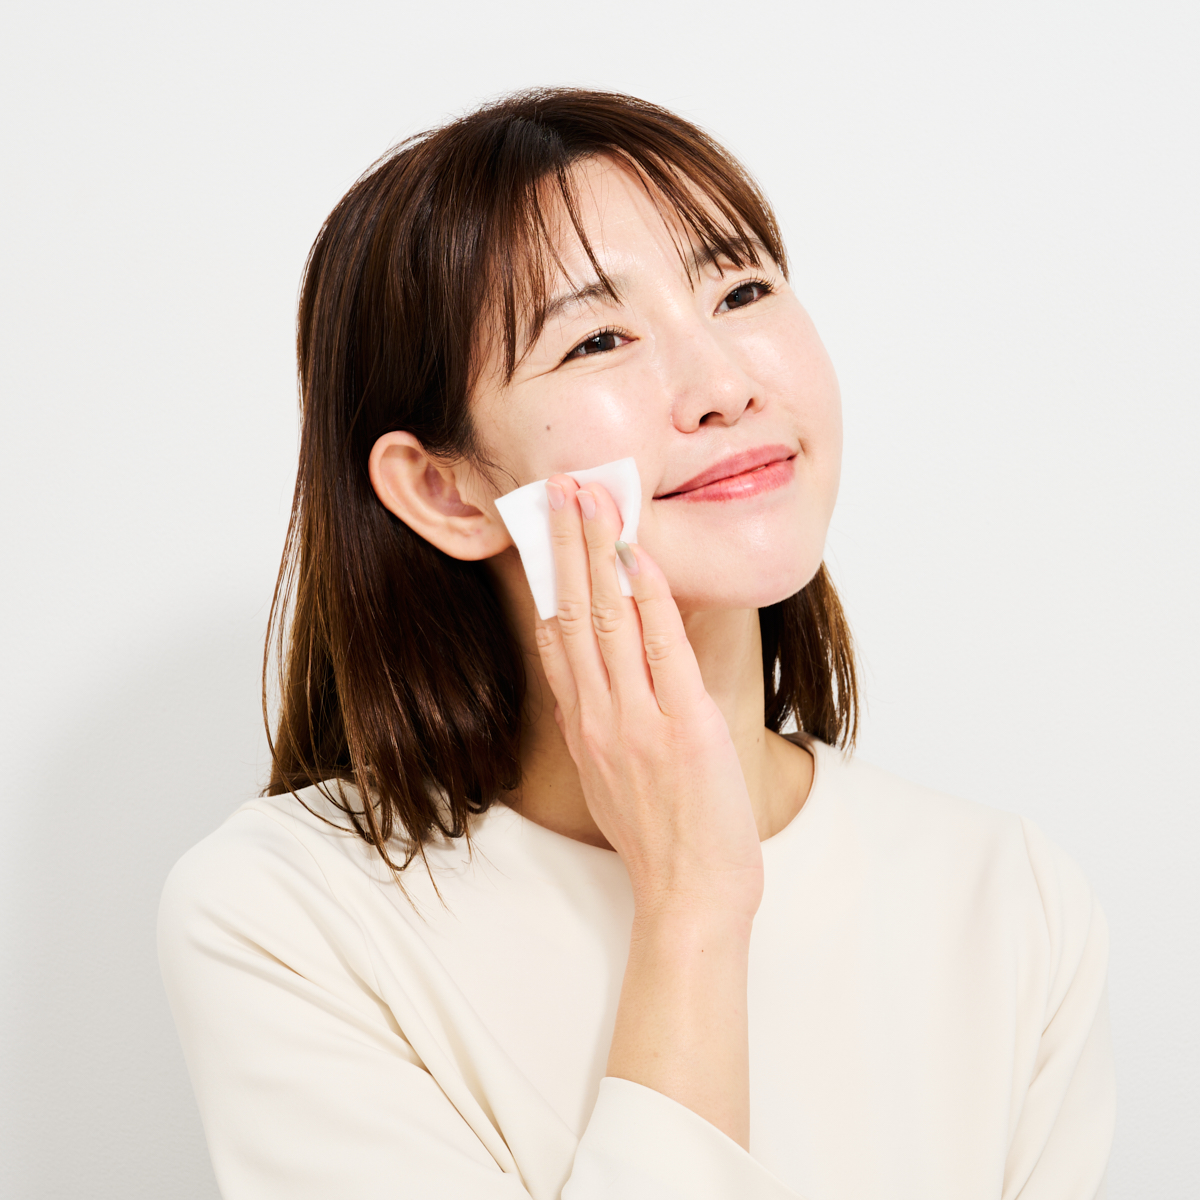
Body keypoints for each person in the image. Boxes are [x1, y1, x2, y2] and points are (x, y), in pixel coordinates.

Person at [158, 88, 1114, 1199]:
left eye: (742, 290)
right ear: (446, 491)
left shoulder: (1009, 897)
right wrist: (692, 903)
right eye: (599, 339)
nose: (726, 388)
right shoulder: (286, 916)